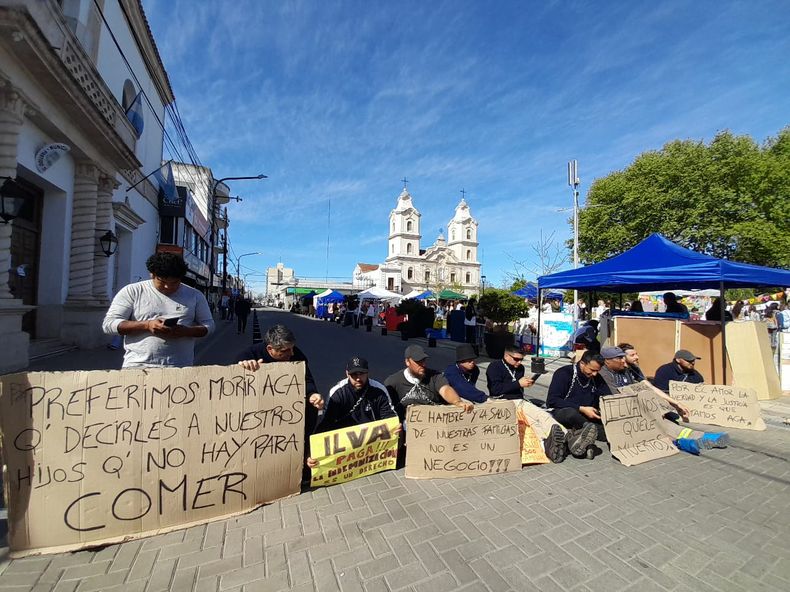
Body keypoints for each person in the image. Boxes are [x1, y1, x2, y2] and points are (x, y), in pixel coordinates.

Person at [604, 345, 728, 455]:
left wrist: (675, 403)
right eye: (621, 358)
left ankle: (702, 436)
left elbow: (650, 388)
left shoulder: (629, 370)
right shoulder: (604, 374)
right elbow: (618, 396)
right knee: (653, 427)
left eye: (624, 357)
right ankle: (680, 443)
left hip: (639, 408)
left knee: (664, 423)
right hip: (623, 414)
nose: (635, 358)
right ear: (607, 360)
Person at [102, 252, 214, 368]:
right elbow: (109, 324)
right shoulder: (132, 291)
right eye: (162, 282)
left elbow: (209, 325)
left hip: (180, 367)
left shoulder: (195, 295)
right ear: (152, 274)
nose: (168, 287)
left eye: (174, 283)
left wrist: (187, 331)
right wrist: (147, 325)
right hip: (137, 366)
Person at [485, 345, 589, 463]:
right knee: (536, 417)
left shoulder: (520, 368)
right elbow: (495, 390)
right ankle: (565, 439)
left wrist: (525, 384)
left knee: (537, 418)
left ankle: (557, 441)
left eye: (521, 359)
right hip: (501, 402)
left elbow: (517, 389)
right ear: (506, 355)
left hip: (519, 401)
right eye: (516, 359)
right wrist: (518, 384)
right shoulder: (494, 367)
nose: (519, 362)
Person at [306, 357, 399, 468]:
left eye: (362, 374)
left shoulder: (379, 390)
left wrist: (395, 426)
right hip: (346, 447)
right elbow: (325, 424)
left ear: (368, 373)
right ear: (347, 374)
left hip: (371, 446)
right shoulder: (337, 393)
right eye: (354, 375)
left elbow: (389, 417)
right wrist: (312, 453)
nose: (358, 378)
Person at [236, 324, 325, 438]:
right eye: (285, 350)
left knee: (311, 408)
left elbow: (306, 379)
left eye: (292, 348)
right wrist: (243, 368)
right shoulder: (250, 355)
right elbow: (232, 384)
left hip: (287, 413)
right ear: (270, 349)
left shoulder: (297, 356)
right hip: (259, 413)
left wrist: (312, 394)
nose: (291, 353)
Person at [546, 351, 610, 459]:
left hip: (588, 417)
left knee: (608, 432)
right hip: (564, 413)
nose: (594, 374)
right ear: (582, 363)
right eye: (592, 370)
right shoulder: (563, 373)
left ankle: (575, 440)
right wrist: (581, 408)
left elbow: (607, 396)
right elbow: (552, 401)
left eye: (597, 371)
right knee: (571, 413)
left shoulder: (596, 378)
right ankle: (586, 439)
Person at [384, 345, 474, 421]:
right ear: (407, 362)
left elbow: (445, 389)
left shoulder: (435, 376)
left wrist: (457, 402)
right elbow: (387, 411)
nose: (423, 364)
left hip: (433, 423)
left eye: (423, 360)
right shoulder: (393, 382)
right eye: (418, 362)